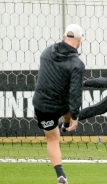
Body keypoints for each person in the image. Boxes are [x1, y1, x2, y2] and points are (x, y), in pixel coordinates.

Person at [32, 24, 85, 184]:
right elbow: (75, 93)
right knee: (68, 107)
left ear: (64, 36)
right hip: (61, 105)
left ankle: (60, 174)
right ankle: (67, 123)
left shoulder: (47, 51)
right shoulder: (77, 64)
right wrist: (75, 117)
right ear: (80, 39)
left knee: (52, 139)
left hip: (41, 104)